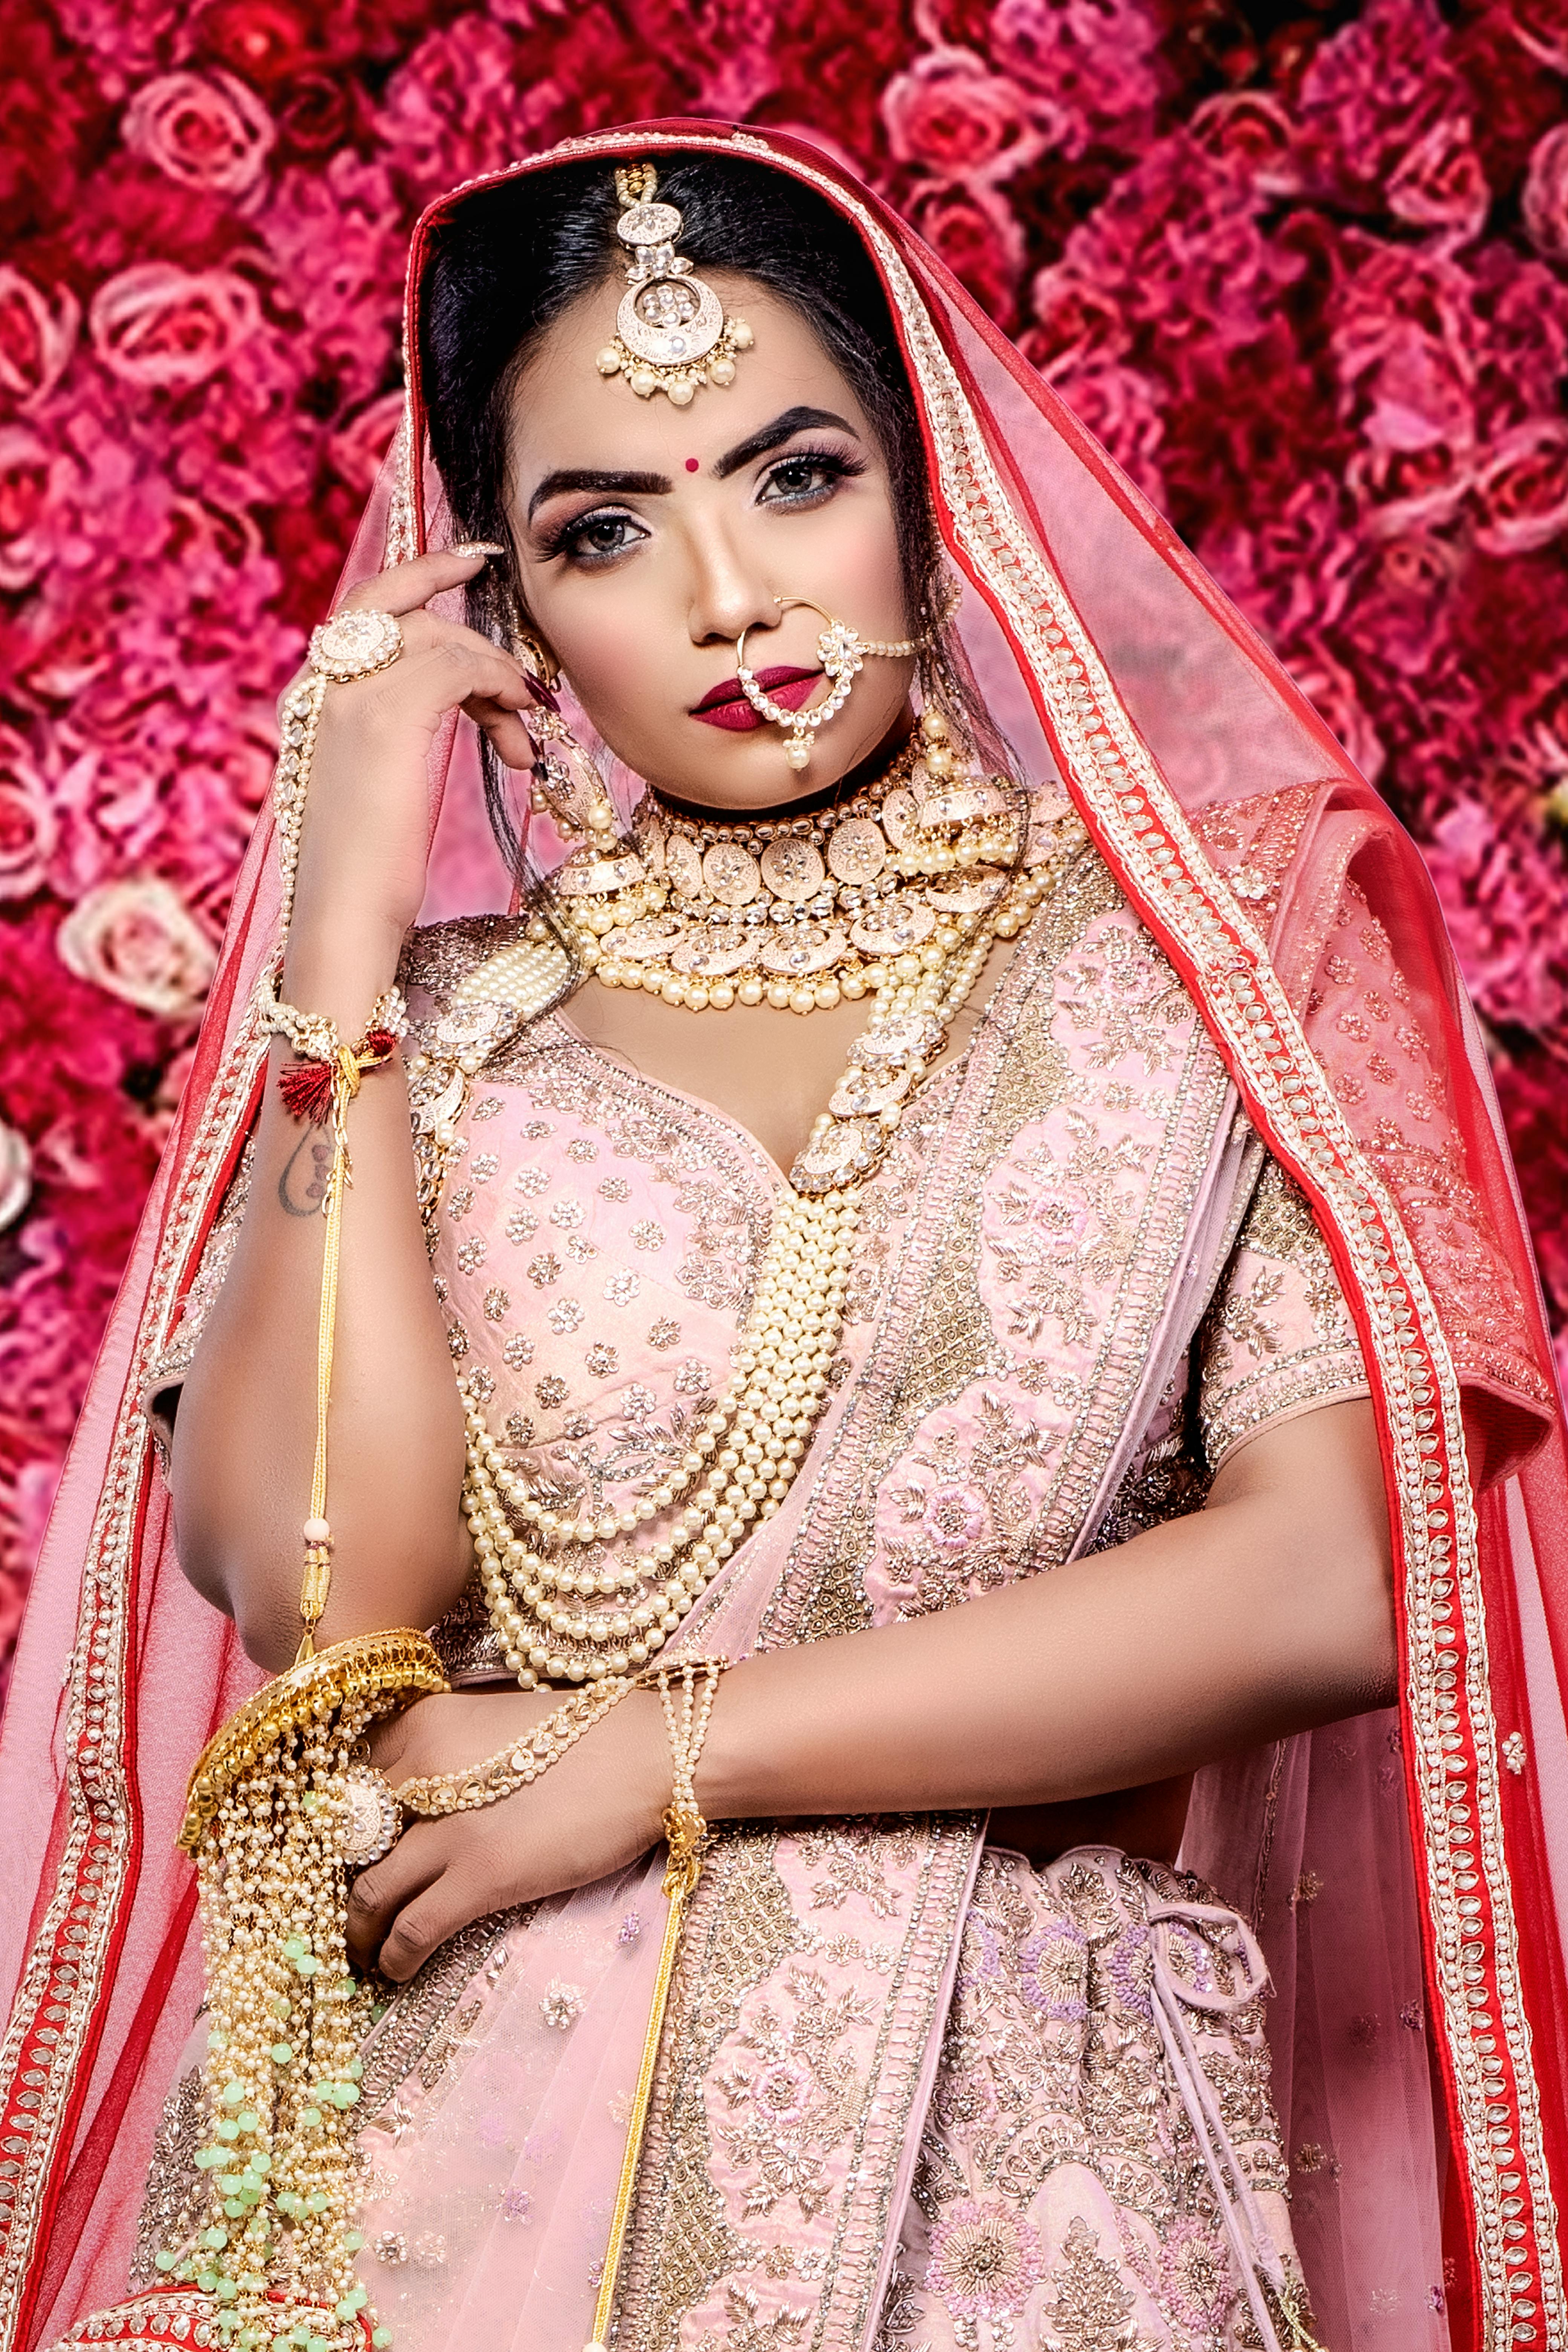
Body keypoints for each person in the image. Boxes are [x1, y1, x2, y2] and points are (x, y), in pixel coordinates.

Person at [1, 123, 1564, 2352]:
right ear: (509, 615)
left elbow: (1333, 1575)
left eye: (798, 476)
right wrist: (338, 953)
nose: (729, 596)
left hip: (1011, 2186)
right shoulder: (444, 1038)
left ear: (930, 496)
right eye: (606, 532)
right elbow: (330, 1606)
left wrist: (658, 1752)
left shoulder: (1225, 958)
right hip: (440, 2181)